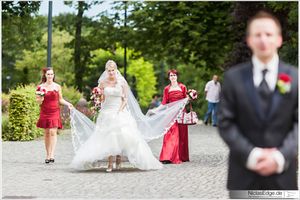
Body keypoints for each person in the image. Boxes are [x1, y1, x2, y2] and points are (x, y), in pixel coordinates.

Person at [218, 11, 298, 191]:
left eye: (268, 34)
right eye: (257, 35)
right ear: (249, 40)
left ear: (278, 39)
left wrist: (279, 157)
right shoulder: (233, 78)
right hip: (243, 174)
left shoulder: (295, 78)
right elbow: (225, 122)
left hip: (283, 175)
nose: (263, 40)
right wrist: (252, 155)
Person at [70, 60, 190, 172]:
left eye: (113, 70)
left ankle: (118, 161)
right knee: (108, 137)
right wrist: (98, 95)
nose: (111, 72)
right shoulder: (102, 83)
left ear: (115, 70)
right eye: (109, 70)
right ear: (106, 71)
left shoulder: (121, 82)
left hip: (119, 110)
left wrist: (120, 110)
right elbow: (102, 99)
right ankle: (110, 163)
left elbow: (125, 99)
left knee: (121, 136)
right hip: (107, 111)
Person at [36, 67, 73, 164]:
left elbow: (60, 99)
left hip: (55, 111)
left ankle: (52, 154)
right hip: (45, 110)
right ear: (45, 75)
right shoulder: (40, 87)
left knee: (53, 132)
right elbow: (38, 101)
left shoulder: (57, 87)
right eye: (48, 74)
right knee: (47, 133)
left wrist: (68, 104)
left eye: (52, 74)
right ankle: (47, 154)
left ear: (54, 75)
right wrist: (41, 97)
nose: (50, 76)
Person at [159, 69, 189, 164]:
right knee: (170, 134)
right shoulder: (167, 89)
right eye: (171, 75)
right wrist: (157, 110)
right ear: (169, 78)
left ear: (177, 76)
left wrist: (191, 97)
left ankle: (181, 155)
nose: (173, 77)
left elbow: (186, 100)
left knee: (182, 135)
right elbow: (164, 102)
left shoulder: (183, 87)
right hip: (171, 114)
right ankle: (167, 157)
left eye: (174, 75)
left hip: (181, 113)